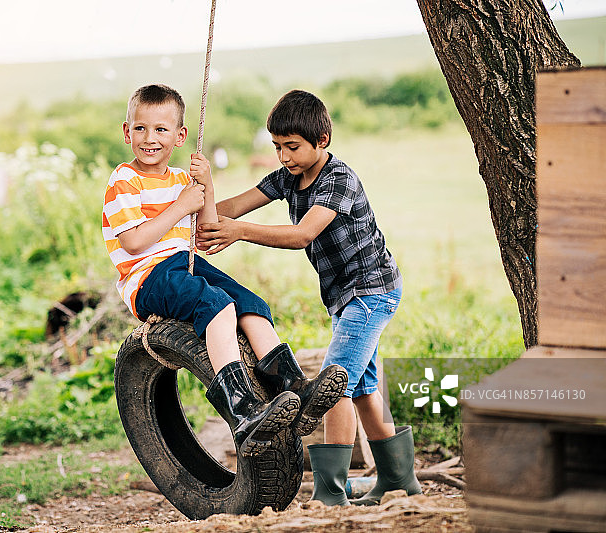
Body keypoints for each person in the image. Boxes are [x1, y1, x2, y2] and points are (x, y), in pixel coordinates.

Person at [197, 89, 421, 505]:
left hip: (372, 293)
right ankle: (398, 480)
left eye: (293, 147)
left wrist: (239, 233)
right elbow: (233, 207)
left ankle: (330, 494)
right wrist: (198, 200)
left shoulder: (339, 180)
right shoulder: (288, 177)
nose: (284, 157)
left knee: (332, 386)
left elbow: (303, 235)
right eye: (278, 147)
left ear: (322, 140)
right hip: (344, 298)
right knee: (362, 390)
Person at [102, 84, 347, 458]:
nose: (150, 139)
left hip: (184, 264)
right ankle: (242, 411)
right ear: (126, 132)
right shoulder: (124, 180)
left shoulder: (183, 180)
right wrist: (180, 206)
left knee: (250, 304)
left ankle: (294, 388)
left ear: (180, 136)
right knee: (215, 305)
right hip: (147, 276)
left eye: (161, 130)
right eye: (140, 129)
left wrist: (206, 187)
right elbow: (134, 242)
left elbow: (205, 230)